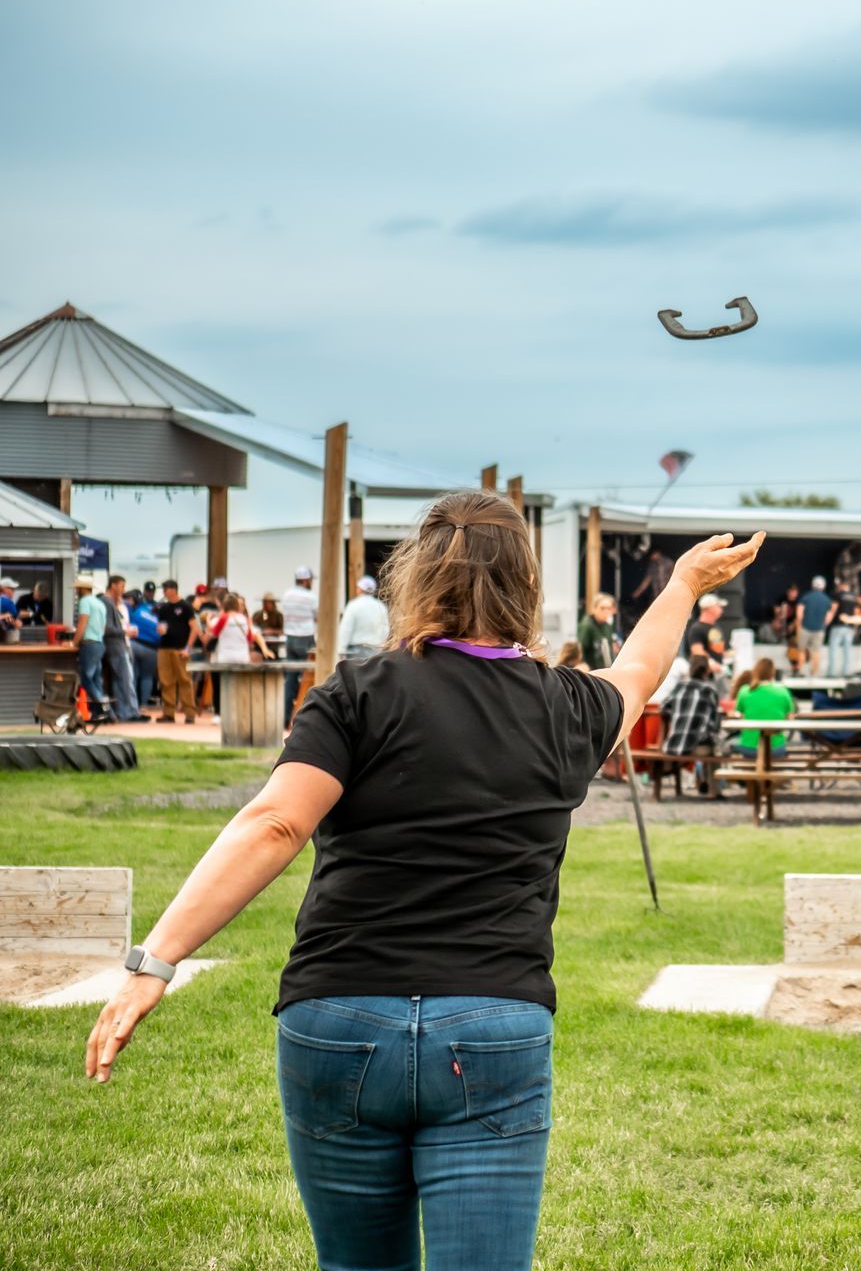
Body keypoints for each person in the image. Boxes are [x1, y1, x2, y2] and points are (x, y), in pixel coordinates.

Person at [83, 490, 762, 1271]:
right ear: (526, 587)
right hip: (493, 1025)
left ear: (416, 577)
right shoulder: (566, 706)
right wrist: (681, 585)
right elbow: (639, 669)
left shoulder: (354, 694)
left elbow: (274, 825)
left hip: (337, 1019)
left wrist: (154, 964)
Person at [661, 656, 724, 794]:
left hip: (674, 743)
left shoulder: (680, 686)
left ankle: (700, 782)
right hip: (697, 747)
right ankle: (714, 791)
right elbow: (714, 722)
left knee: (702, 738)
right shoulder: (710, 690)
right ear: (707, 671)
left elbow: (664, 707)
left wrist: (679, 713)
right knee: (713, 747)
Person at [153, 580, 199, 723]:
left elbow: (194, 628)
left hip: (180, 649)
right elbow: (161, 626)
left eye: (166, 589)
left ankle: (190, 713)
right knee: (166, 681)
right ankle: (168, 713)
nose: (164, 592)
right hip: (164, 648)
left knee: (185, 681)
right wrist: (159, 630)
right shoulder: (164, 608)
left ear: (173, 590)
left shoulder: (186, 607)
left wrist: (188, 648)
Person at [732, 657, 796, 757]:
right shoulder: (783, 692)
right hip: (776, 749)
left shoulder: (744, 691)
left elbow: (737, 716)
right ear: (772, 673)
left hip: (750, 748)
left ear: (756, 671)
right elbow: (790, 719)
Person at [281, 566, 319, 729]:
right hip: (306, 637)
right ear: (305, 580)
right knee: (309, 678)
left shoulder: (287, 594)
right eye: (310, 580)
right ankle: (305, 718)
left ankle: (285, 716)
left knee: (290, 678)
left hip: (290, 637)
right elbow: (318, 616)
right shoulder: (311, 597)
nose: (311, 583)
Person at [102, 574, 142, 723]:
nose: (123, 590)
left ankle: (125, 711)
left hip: (119, 645)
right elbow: (107, 628)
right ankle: (131, 712)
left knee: (120, 681)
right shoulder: (107, 602)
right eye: (122, 586)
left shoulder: (112, 603)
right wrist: (125, 632)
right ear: (113, 585)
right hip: (116, 646)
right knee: (125, 680)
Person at [71, 575, 111, 722]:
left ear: (81, 588)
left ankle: (103, 707)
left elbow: (82, 623)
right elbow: (103, 627)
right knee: (96, 679)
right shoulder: (99, 603)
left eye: (77, 587)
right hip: (100, 643)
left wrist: (74, 642)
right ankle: (104, 714)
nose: (76, 590)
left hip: (89, 644)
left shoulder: (84, 602)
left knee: (86, 678)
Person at [207, 592, 274, 666]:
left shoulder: (224, 618)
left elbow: (213, 633)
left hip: (225, 658)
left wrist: (208, 620)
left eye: (243, 605)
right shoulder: (244, 620)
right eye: (240, 605)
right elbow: (251, 637)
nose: (241, 607)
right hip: (240, 658)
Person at [338, 576, 391, 661]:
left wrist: (341, 649)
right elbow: (385, 629)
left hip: (355, 652)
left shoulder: (353, 605)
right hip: (376, 651)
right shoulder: (381, 606)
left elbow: (346, 628)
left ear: (360, 589)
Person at [130, 589, 163, 711]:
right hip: (151, 648)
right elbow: (162, 635)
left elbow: (131, 625)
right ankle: (143, 704)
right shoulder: (160, 619)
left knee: (133, 675)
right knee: (147, 677)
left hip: (134, 644)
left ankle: (132, 704)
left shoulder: (139, 610)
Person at [797, 575, 833, 675]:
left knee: (801, 650)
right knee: (816, 651)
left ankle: (801, 671)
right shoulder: (827, 600)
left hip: (805, 627)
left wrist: (800, 623)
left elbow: (799, 612)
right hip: (819, 629)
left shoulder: (806, 597)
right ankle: (815, 672)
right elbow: (829, 615)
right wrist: (824, 625)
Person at [683, 593, 729, 672]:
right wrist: (711, 663)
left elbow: (717, 649)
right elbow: (697, 651)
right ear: (710, 608)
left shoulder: (716, 626)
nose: (721, 610)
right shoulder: (697, 628)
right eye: (718, 606)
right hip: (704, 673)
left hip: (718, 672)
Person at [577, 593, 621, 671]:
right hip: (592, 672)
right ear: (594, 608)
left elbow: (611, 646)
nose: (606, 611)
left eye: (609, 608)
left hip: (607, 669)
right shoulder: (587, 625)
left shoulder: (607, 625)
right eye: (602, 608)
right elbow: (580, 650)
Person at [826, 579, 860, 677]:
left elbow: (833, 609)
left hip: (838, 625)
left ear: (841, 585)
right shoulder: (854, 597)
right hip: (849, 627)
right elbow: (856, 612)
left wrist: (827, 622)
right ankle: (846, 672)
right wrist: (855, 626)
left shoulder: (838, 595)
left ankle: (832, 673)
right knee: (847, 651)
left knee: (833, 650)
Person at [253, 593, 285, 659]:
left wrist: (272, 631)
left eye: (269, 603)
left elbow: (282, 631)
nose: (266, 605)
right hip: (260, 644)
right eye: (265, 602)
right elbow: (253, 628)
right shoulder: (257, 615)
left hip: (274, 644)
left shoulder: (278, 615)